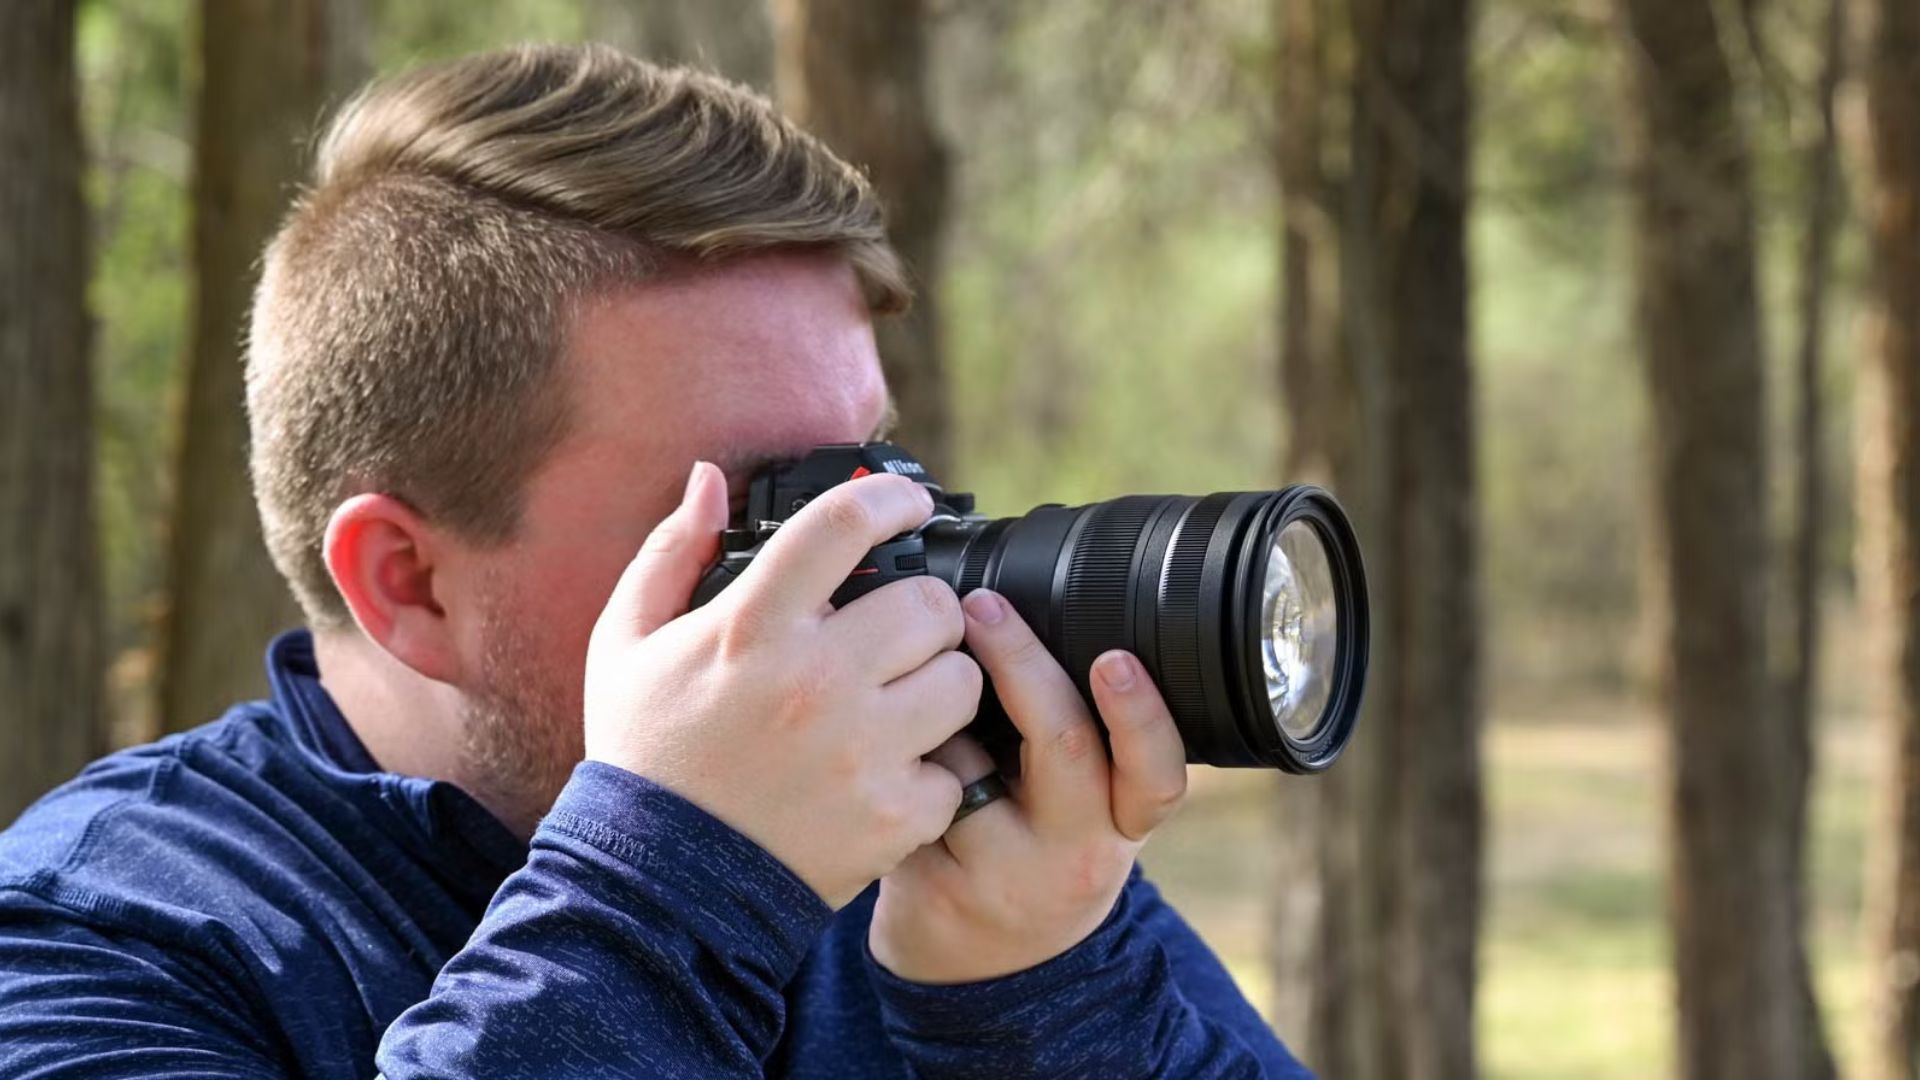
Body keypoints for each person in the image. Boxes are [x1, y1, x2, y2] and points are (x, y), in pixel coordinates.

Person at [0, 44, 1311, 1078]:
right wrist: (678, 882)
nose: (871, 571)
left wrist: (1047, 993)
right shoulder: (97, 946)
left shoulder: (932, 847)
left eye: (874, 476)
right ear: (409, 581)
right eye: (761, 512)